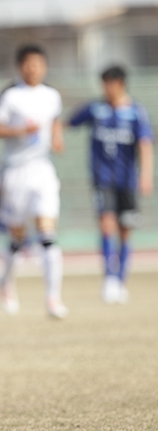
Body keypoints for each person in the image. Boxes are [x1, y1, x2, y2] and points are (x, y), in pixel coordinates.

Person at [0, 44, 67, 319]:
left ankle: (53, 297)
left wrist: (57, 137)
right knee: (17, 237)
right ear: (21, 66)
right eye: (29, 64)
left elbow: (55, 120)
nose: (34, 68)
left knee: (47, 232)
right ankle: (5, 283)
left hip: (42, 168)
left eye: (39, 64)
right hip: (15, 170)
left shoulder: (52, 95)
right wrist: (20, 130)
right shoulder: (10, 96)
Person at [67, 66, 154, 304]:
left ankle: (121, 279)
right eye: (103, 83)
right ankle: (109, 279)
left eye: (110, 83)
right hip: (102, 179)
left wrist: (146, 174)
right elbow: (69, 122)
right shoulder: (96, 109)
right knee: (107, 226)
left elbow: (145, 144)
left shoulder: (136, 112)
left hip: (126, 181)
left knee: (125, 230)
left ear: (121, 84)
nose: (106, 88)